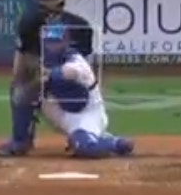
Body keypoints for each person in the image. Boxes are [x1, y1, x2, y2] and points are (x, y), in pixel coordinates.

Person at [0, 0, 95, 158]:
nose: (50, 11)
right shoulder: (29, 24)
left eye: (54, 3)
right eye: (46, 4)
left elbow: (85, 67)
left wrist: (61, 75)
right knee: (21, 90)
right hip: (41, 75)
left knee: (82, 101)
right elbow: (22, 61)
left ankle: (84, 133)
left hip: (69, 81)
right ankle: (21, 140)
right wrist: (26, 81)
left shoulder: (80, 26)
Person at [37, 24, 134, 159]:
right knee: (25, 94)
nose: (51, 46)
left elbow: (71, 72)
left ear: (66, 42)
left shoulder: (76, 60)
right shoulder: (41, 58)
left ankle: (115, 144)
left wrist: (49, 74)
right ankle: (20, 141)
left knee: (87, 149)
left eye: (56, 42)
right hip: (65, 115)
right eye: (48, 42)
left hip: (87, 115)